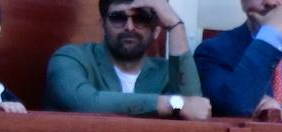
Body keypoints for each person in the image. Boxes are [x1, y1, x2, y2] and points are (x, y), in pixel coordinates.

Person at [45, 0, 210, 119]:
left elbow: (194, 108)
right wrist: (172, 104)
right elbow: (86, 102)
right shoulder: (70, 58)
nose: (129, 27)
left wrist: (176, 26)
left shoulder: (165, 73)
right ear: (102, 24)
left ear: (156, 31)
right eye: (118, 17)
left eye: (141, 18)